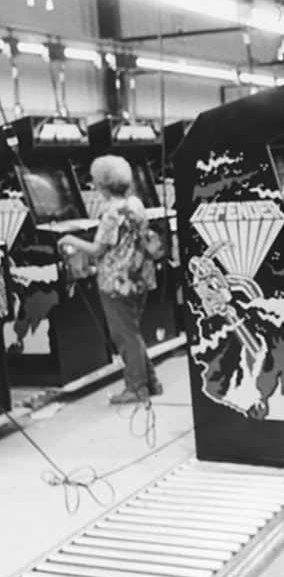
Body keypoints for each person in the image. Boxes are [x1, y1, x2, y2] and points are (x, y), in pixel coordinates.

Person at [59, 154, 163, 404]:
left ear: (101, 185)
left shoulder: (110, 214)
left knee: (125, 336)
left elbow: (98, 250)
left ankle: (136, 388)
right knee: (133, 331)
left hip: (116, 282)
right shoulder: (136, 204)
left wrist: (70, 240)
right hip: (140, 277)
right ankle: (151, 381)